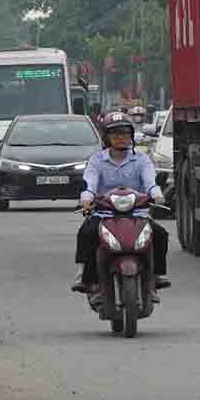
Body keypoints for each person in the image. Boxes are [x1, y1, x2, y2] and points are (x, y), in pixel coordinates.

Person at [72, 111, 170, 296]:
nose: (120, 137)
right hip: (104, 214)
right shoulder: (97, 160)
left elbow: (150, 182)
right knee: (86, 233)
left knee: (160, 234)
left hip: (137, 213)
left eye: (125, 133)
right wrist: (86, 198)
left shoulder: (141, 159)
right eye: (115, 133)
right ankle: (85, 276)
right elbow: (90, 183)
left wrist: (157, 195)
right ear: (106, 137)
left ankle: (157, 275)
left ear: (131, 136)